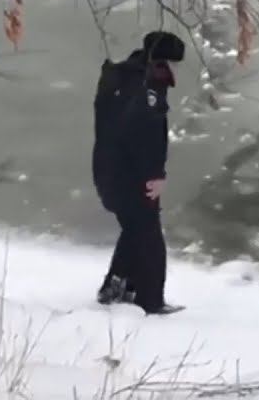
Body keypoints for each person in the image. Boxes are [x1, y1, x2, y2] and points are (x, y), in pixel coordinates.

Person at [92, 30, 185, 314]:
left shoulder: (122, 78)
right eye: (174, 62)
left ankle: (115, 286)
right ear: (163, 61)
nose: (176, 69)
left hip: (108, 168)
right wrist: (155, 175)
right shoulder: (148, 90)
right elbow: (143, 136)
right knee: (150, 240)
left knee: (135, 229)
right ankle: (149, 299)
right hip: (133, 175)